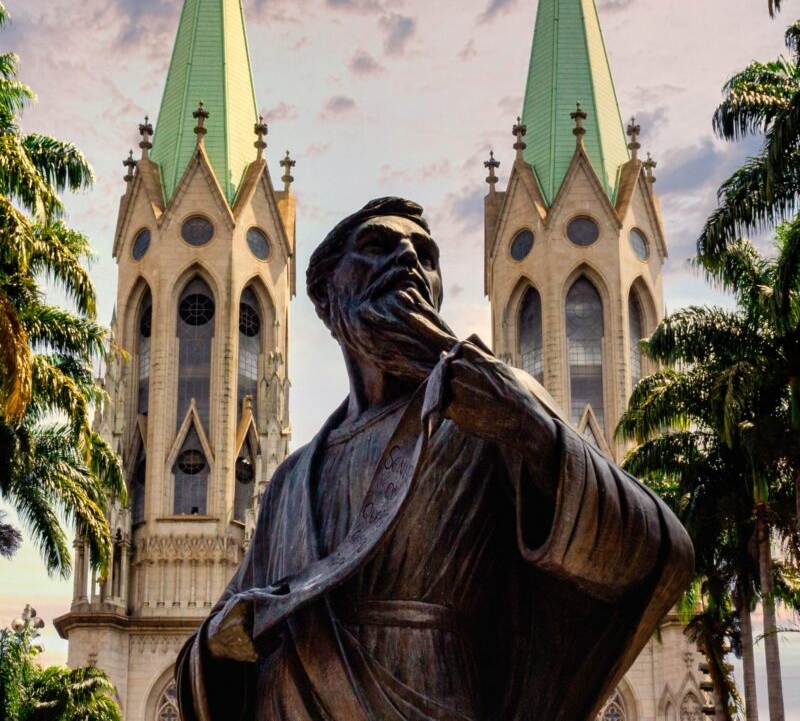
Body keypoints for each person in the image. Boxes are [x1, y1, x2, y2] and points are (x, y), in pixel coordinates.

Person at [176, 197, 693, 721]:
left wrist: (531, 432)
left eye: (425, 256)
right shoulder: (290, 483)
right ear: (327, 300)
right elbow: (220, 635)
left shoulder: (489, 413)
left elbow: (657, 550)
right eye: (378, 247)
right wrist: (217, 644)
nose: (406, 260)